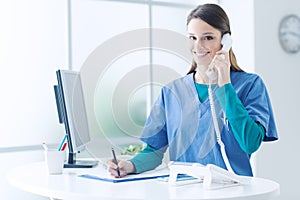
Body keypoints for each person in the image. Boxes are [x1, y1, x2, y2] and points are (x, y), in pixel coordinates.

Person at [107, 3, 278, 177]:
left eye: (208, 38)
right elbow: (155, 150)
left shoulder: (250, 85)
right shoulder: (171, 92)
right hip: (184, 189)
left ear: (225, 41)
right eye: (192, 38)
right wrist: (129, 165)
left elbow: (250, 143)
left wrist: (224, 84)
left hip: (234, 191)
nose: (198, 46)